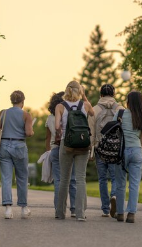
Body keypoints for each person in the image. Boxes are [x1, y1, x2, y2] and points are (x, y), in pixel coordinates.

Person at [55, 81, 94, 221]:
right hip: (83, 143)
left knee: (64, 179)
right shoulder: (86, 105)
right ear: (80, 91)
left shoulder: (60, 106)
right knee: (81, 179)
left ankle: (60, 212)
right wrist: (84, 97)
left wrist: (62, 133)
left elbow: (57, 126)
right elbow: (93, 113)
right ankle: (80, 214)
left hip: (67, 144)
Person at [0, 90, 34, 219]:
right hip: (19, 146)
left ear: (11, 101)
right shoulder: (26, 115)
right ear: (22, 102)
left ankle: (8, 210)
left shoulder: (3, 113)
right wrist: (31, 130)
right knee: (22, 177)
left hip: (4, 146)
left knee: (6, 178)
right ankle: (23, 208)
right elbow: (28, 133)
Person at [88, 84, 124, 218]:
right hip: (115, 149)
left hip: (99, 148)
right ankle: (114, 195)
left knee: (102, 179)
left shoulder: (94, 110)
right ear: (114, 94)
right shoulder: (120, 109)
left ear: (101, 95)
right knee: (115, 177)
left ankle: (105, 209)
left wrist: (91, 150)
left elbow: (90, 131)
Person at [113, 91, 142, 223]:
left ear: (128, 101)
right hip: (136, 150)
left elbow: (112, 131)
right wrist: (138, 151)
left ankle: (120, 213)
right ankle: (131, 214)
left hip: (121, 151)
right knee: (134, 184)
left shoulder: (120, 113)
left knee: (120, 184)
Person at [46, 91, 77, 218]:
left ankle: (59, 209)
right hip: (69, 148)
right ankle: (74, 209)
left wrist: (47, 152)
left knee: (58, 181)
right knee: (73, 179)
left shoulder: (49, 118)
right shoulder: (69, 115)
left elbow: (47, 138)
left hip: (54, 149)